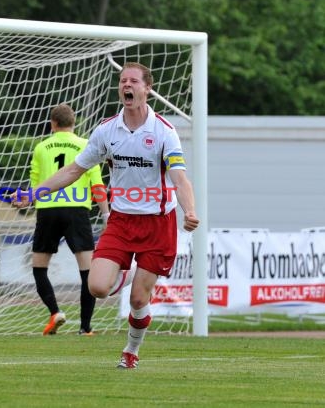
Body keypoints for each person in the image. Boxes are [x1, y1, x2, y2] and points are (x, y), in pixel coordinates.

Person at [12, 63, 199, 369]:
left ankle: (131, 350)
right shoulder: (106, 130)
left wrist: (189, 211)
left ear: (146, 89)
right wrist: (35, 193)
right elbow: (74, 170)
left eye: (134, 81)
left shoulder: (165, 132)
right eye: (123, 80)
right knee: (97, 287)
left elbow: (179, 178)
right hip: (122, 220)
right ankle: (122, 272)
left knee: (139, 300)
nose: (127, 85)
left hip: (158, 223)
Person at [28, 103, 109, 336]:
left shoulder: (41, 147)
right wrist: (105, 213)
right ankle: (85, 327)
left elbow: (35, 184)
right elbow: (97, 183)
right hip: (77, 211)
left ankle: (55, 312)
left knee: (39, 267)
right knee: (87, 271)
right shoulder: (85, 145)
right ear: (74, 124)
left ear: (52, 124)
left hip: (48, 210)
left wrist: (28, 202)